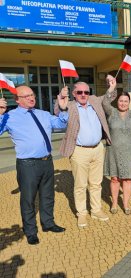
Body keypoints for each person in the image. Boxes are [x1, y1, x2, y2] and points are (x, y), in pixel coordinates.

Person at [0, 86, 68, 245]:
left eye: (32, 94)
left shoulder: (43, 114)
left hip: (47, 161)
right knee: (28, 199)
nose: (31, 98)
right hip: (27, 165)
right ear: (17, 100)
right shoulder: (10, 116)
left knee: (47, 196)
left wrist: (63, 108)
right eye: (26, 96)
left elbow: (61, 123)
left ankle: (48, 224)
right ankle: (30, 231)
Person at [56, 78, 117, 228]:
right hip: (79, 151)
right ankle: (82, 213)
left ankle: (96, 210)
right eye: (80, 92)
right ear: (74, 93)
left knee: (96, 183)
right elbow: (58, 112)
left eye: (86, 92)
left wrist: (112, 87)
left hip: (97, 149)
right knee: (80, 185)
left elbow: (109, 97)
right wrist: (60, 102)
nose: (83, 95)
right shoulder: (69, 106)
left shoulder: (95, 101)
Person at [103, 82, 131, 215]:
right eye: (121, 101)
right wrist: (111, 88)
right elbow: (105, 103)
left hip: (130, 152)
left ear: (129, 102)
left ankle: (126, 204)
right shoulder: (111, 112)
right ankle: (114, 203)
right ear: (117, 102)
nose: (123, 103)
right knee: (115, 178)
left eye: (126, 101)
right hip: (113, 151)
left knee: (127, 179)